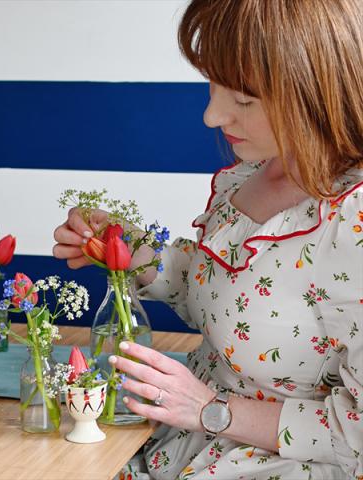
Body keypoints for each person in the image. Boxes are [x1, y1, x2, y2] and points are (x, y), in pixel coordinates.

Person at [53, 0, 363, 478]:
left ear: (320, 92)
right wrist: (137, 256)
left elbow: (358, 434)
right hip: (174, 445)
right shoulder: (251, 174)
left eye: (242, 98)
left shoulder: (353, 222)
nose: (212, 116)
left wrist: (210, 409)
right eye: (213, 87)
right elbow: (228, 304)